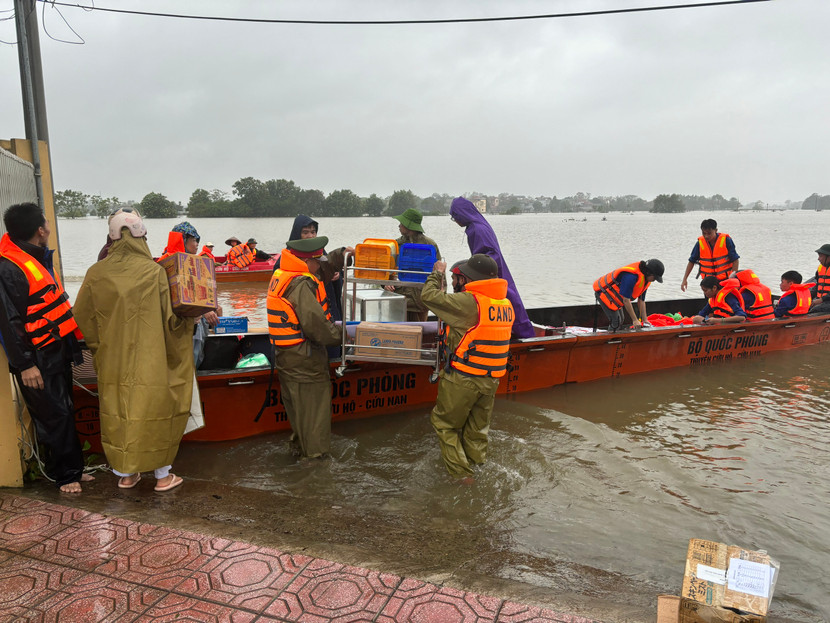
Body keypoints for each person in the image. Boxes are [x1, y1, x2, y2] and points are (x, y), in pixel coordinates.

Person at [73, 209, 194, 492]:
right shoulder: (154, 272)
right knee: (155, 412)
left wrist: (101, 348)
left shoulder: (95, 273)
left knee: (118, 413)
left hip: (113, 361)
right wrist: (190, 320)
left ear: (112, 237)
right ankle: (162, 476)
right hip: (151, 359)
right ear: (141, 236)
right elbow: (172, 322)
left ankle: (126, 474)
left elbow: (82, 318)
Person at [0, 203, 91, 494]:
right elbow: (8, 321)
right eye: (47, 223)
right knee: (53, 415)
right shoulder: (8, 267)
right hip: (36, 356)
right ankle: (65, 476)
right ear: (40, 230)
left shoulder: (34, 257)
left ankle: (73, 469)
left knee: (65, 409)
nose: (49, 228)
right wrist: (25, 364)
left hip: (55, 348)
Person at [421, 253, 514, 482]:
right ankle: (477, 468)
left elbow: (428, 296)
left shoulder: (469, 302)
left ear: (469, 279)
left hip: (463, 378)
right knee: (476, 431)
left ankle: (462, 477)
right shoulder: (504, 304)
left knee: (444, 425)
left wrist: (437, 273)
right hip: (490, 380)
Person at [266, 236, 343, 458]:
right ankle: (316, 465)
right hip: (305, 360)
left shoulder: (283, 273)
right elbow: (317, 327)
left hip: (287, 357)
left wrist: (342, 254)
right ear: (307, 261)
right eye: (317, 261)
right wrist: (344, 336)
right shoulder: (300, 284)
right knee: (314, 416)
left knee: (300, 415)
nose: (319, 266)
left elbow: (322, 272)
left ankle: (299, 455)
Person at [448, 197, 534, 338]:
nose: (455, 221)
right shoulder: (476, 226)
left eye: (454, 217)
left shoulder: (477, 229)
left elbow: (491, 254)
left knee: (507, 299)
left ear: (461, 214)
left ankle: (524, 336)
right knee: (508, 298)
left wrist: (473, 269)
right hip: (487, 269)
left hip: (491, 272)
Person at [284, 214, 352, 322]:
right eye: (305, 232)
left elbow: (328, 265)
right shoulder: (287, 259)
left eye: (313, 232)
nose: (310, 236)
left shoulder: (320, 251)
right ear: (297, 234)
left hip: (328, 306)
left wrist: (337, 274)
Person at [383, 208, 442, 322]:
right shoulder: (395, 245)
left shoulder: (430, 245)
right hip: (399, 297)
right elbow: (386, 270)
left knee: (420, 330)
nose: (399, 226)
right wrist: (386, 284)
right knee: (397, 330)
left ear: (408, 225)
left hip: (420, 300)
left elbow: (439, 272)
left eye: (402, 223)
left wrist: (438, 296)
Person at [593, 260, 664, 331]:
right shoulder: (630, 277)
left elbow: (641, 301)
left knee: (621, 319)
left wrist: (645, 320)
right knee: (616, 322)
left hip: (614, 297)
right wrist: (635, 320)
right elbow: (626, 300)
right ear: (648, 272)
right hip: (603, 293)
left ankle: (614, 335)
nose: (654, 280)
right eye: (654, 278)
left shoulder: (645, 280)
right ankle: (609, 337)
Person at [681, 219, 740, 291]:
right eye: (704, 233)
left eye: (709, 233)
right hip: (708, 283)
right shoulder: (700, 243)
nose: (706, 236)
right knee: (709, 297)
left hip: (725, 281)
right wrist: (684, 279)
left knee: (725, 298)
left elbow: (735, 260)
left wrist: (733, 279)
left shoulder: (726, 240)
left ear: (716, 230)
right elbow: (691, 261)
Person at [808, 244, 830, 314]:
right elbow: (818, 285)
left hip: (826, 301)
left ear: (829, 257)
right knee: (806, 307)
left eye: (821, 256)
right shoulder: (820, 269)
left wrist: (821, 300)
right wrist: (808, 297)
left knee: (816, 310)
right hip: (821, 300)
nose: (818, 259)